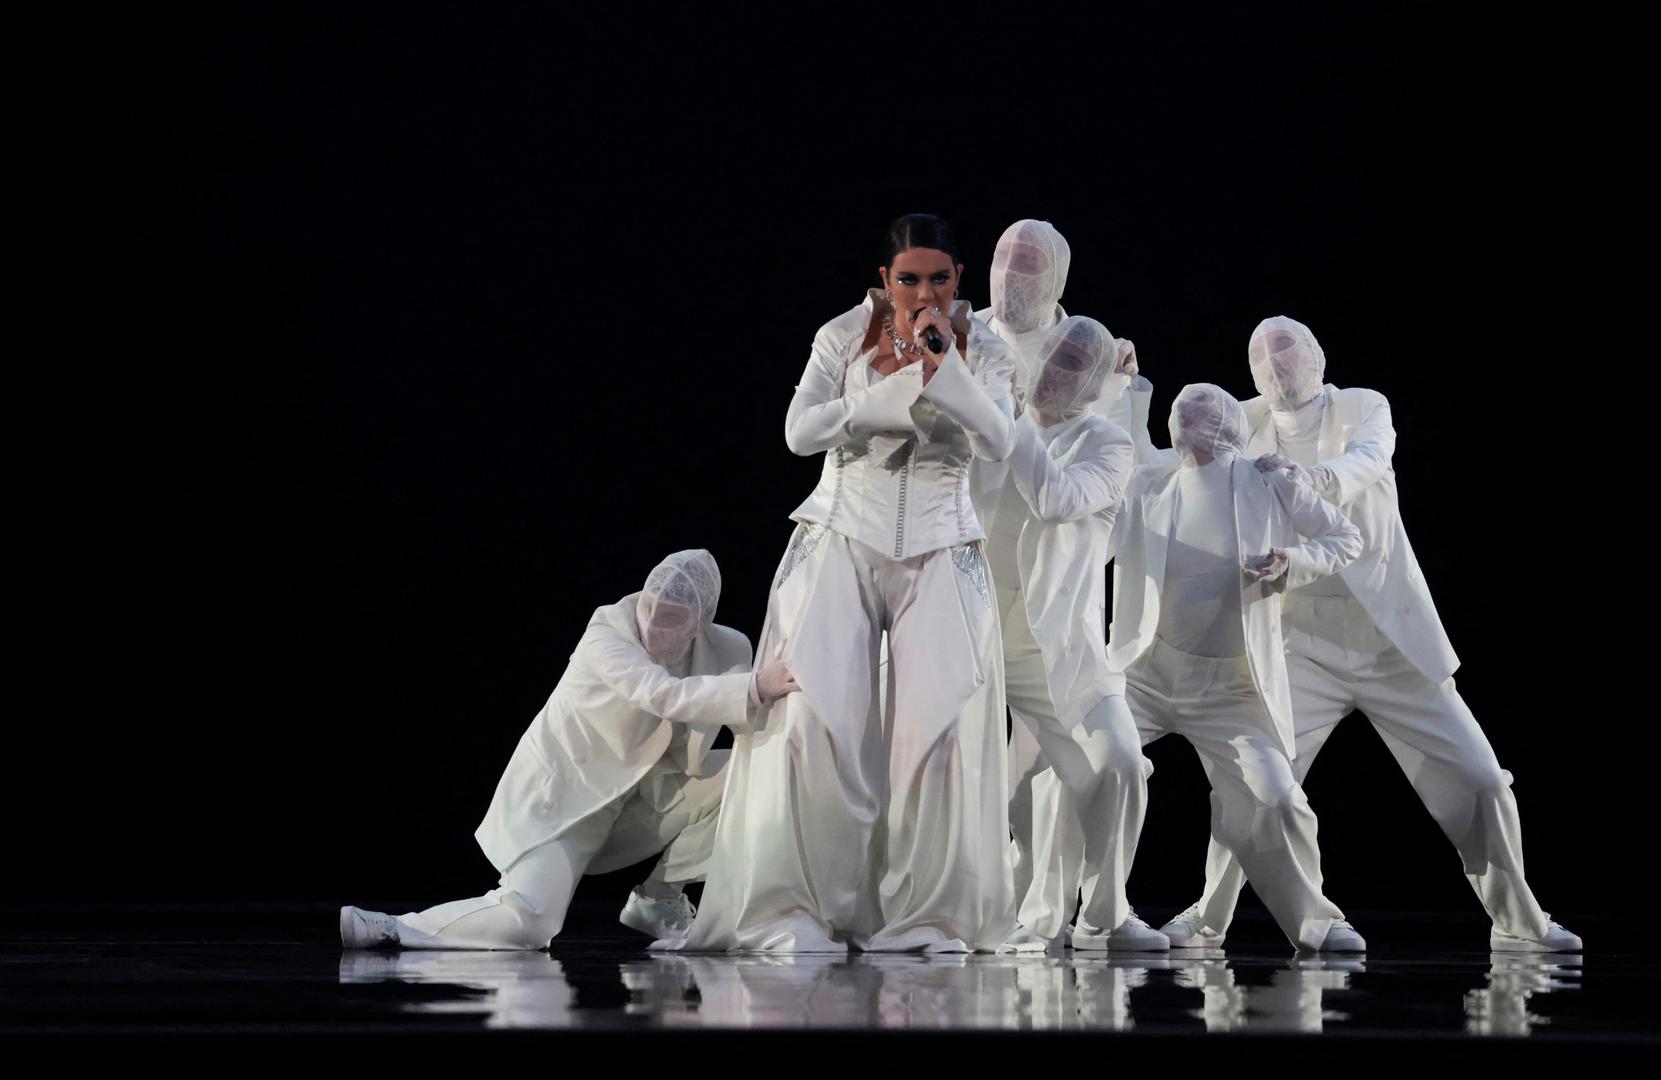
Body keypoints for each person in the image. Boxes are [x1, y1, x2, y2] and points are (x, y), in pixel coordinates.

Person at [1158, 317, 1582, 953]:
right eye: (1260, 356)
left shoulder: (1362, 407)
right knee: (1256, 782)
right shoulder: (1241, 421)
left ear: (1317, 356)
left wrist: (1315, 480)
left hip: (1387, 640)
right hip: (1297, 641)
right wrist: (1124, 396)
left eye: (1285, 349)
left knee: (1482, 779)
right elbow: (1179, 469)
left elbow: (1366, 462)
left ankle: (1521, 920)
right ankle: (1209, 915)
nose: (1274, 365)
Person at [674, 213, 1019, 953]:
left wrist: (945, 370)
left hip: (941, 542)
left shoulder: (984, 348)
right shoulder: (841, 335)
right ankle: (793, 911)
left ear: (958, 278)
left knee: (940, 730)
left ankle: (931, 918)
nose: (923, 293)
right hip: (841, 534)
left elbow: (999, 441)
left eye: (938, 278)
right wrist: (879, 398)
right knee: (812, 720)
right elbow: (799, 433)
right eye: (908, 279)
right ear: (884, 279)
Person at [339, 549, 797, 950]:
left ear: (700, 620)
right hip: (565, 800)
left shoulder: (728, 647)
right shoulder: (607, 633)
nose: (655, 622)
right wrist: (757, 686)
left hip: (644, 794)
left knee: (753, 771)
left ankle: (660, 898)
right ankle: (396, 927)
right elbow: (659, 693)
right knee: (529, 923)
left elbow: (745, 720)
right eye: (651, 606)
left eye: (673, 616)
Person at [1111, 383, 1365, 952]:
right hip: (1145, 674)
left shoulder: (1268, 479)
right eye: (1184, 414)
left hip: (1230, 687)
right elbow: (1125, 450)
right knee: (1089, 766)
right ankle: (1079, 914)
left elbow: (1344, 538)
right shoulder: (1153, 480)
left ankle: (1317, 920)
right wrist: (1130, 391)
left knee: (1276, 796)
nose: (1190, 423)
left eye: (1201, 415)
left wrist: (1291, 561)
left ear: (1228, 426)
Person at [977, 315, 1166, 953]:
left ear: (1092, 384)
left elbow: (1054, 500)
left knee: (1117, 764)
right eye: (1050, 354)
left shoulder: (1107, 444)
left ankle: (1105, 914)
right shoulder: (993, 420)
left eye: (1070, 364)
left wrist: (1010, 421)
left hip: (1054, 644)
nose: (1050, 369)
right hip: (973, 630)